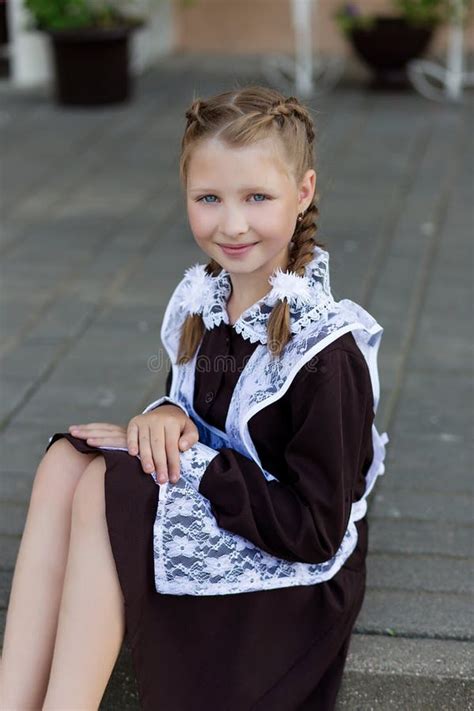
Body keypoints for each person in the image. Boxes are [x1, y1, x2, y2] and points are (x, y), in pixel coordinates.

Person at [0, 85, 389, 710]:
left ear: (304, 192)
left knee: (108, 484)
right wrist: (164, 415)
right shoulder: (203, 301)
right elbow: (196, 418)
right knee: (65, 462)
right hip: (236, 512)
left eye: (256, 197)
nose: (230, 224)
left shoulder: (326, 354)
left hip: (297, 570)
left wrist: (197, 466)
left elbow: (316, 531)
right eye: (208, 198)